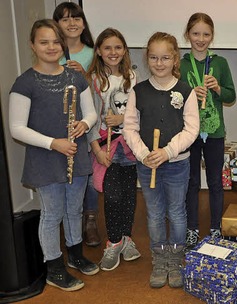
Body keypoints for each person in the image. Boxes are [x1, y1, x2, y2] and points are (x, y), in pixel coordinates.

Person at [9, 19, 98, 291]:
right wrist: (53, 143)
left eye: (56, 41)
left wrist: (85, 123)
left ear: (63, 44)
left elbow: (92, 112)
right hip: (47, 158)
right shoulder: (25, 82)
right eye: (43, 42)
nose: (51, 47)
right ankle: (54, 268)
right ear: (32, 45)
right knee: (52, 213)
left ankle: (75, 255)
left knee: (75, 209)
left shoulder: (75, 77)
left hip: (76, 154)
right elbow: (17, 128)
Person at [123, 32, 199, 288]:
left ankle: (175, 258)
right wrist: (144, 154)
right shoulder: (139, 91)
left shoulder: (185, 91)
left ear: (174, 58)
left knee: (177, 212)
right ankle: (159, 257)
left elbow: (191, 129)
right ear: (147, 58)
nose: (159, 63)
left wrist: (168, 151)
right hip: (147, 165)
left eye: (165, 57)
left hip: (178, 163)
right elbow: (130, 128)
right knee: (155, 213)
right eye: (154, 57)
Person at [86, 28, 141, 271]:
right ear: (98, 51)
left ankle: (126, 239)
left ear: (125, 51)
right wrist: (96, 151)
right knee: (112, 195)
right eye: (107, 47)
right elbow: (85, 117)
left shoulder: (132, 77)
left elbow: (139, 112)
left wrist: (122, 119)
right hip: (103, 145)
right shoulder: (93, 80)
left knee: (129, 195)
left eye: (118, 47)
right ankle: (114, 241)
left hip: (128, 145)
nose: (113, 52)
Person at [180, 12, 236, 248]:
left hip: (214, 132)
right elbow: (174, 97)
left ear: (212, 36)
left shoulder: (220, 63)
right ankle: (192, 228)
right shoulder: (180, 64)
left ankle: (215, 228)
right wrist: (191, 94)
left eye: (206, 34)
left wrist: (217, 89)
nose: (200, 39)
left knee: (215, 182)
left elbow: (231, 96)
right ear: (187, 35)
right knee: (191, 182)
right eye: (195, 33)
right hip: (189, 132)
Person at [53, 1, 101, 247]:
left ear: (84, 22)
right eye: (65, 19)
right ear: (57, 24)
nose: (72, 23)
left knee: (88, 172)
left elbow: (101, 89)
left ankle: (90, 219)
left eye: (77, 18)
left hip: (88, 120)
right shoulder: (52, 52)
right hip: (60, 122)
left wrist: (84, 75)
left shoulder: (93, 53)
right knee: (63, 170)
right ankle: (66, 220)